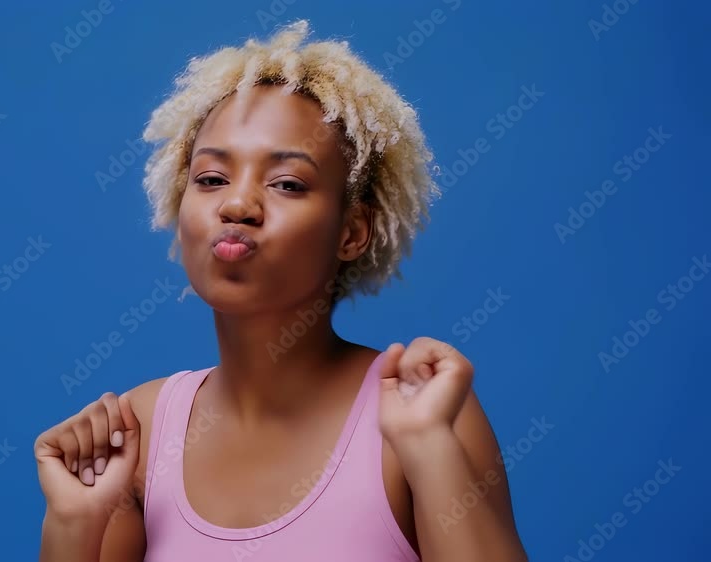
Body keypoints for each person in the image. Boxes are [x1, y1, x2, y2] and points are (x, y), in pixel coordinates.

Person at [36, 20, 527, 562]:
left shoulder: (425, 411)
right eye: (211, 179)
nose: (236, 205)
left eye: (287, 184)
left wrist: (429, 448)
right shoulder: (140, 431)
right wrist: (73, 524)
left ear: (351, 232)